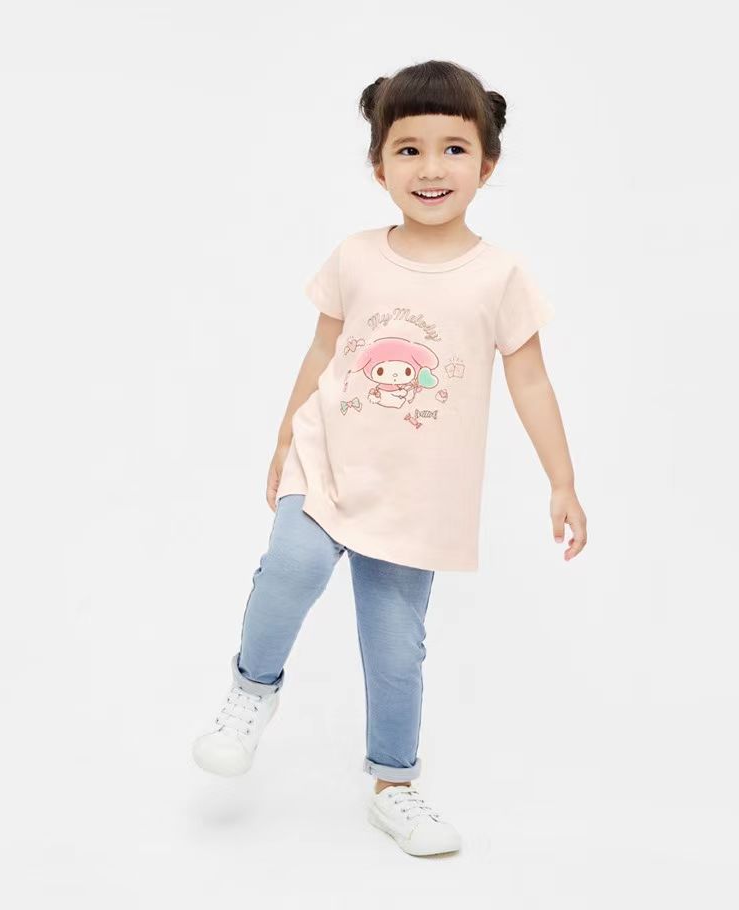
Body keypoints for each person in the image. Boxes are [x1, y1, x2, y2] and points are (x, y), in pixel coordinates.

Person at [192, 59, 587, 857]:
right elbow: (322, 351)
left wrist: (563, 480)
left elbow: (532, 381)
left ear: (487, 164)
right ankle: (251, 689)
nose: (431, 168)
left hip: (420, 496)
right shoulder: (356, 256)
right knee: (292, 566)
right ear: (379, 166)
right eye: (409, 150)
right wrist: (284, 436)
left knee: (396, 646)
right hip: (327, 460)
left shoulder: (501, 276)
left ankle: (393, 785)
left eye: (453, 149)